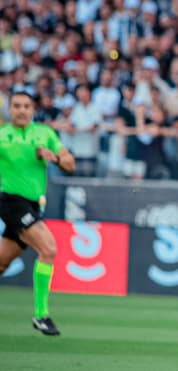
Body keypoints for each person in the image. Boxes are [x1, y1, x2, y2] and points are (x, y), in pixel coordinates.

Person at [0, 90, 76, 335]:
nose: (22, 110)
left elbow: (70, 164)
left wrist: (54, 159)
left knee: (2, 262)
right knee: (48, 248)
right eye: (17, 106)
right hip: (11, 202)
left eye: (26, 106)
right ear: (9, 110)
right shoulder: (2, 136)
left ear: (33, 110)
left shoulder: (45, 134)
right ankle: (41, 315)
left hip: (33, 206)